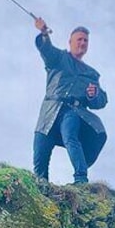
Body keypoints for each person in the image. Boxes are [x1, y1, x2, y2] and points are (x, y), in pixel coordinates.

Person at [32, 17, 108, 184]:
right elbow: (46, 49)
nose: (82, 43)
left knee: (70, 136)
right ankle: (40, 185)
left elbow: (101, 100)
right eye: (79, 39)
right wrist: (44, 33)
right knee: (40, 149)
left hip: (72, 111)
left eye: (85, 40)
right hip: (49, 110)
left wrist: (93, 94)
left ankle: (81, 179)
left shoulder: (91, 74)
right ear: (71, 42)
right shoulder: (59, 58)